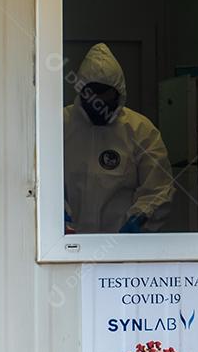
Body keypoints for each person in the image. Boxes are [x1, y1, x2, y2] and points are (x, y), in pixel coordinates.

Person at [64, 43, 175, 234]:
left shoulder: (140, 130)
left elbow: (159, 188)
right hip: (67, 247)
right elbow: (37, 179)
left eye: (105, 96)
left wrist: (139, 219)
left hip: (122, 248)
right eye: (91, 95)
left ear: (119, 94)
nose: (97, 103)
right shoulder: (59, 125)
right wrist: (57, 213)